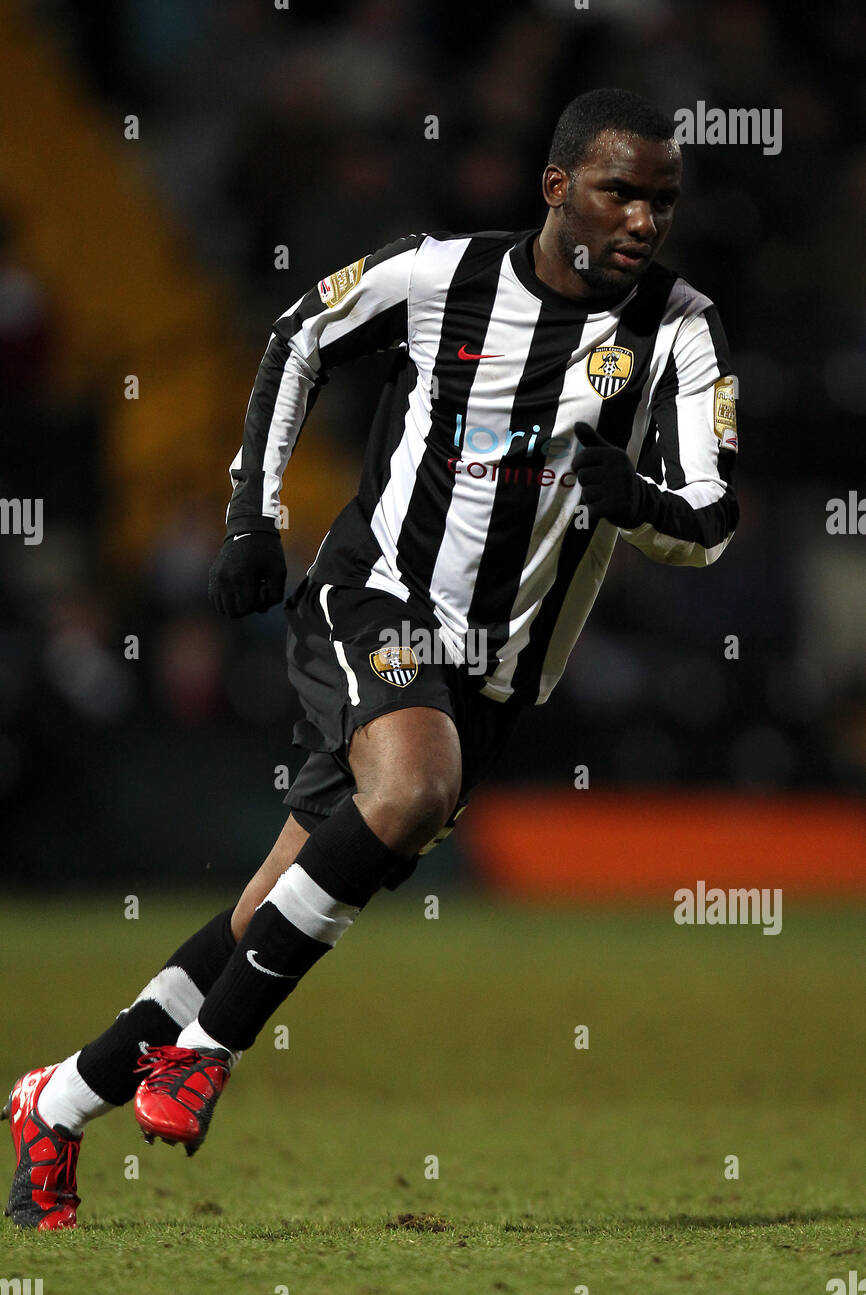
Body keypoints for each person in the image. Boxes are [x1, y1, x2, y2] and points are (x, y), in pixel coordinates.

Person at [4, 88, 738, 1229]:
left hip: (493, 673)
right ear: (556, 189)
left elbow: (710, 513)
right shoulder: (437, 274)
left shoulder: (679, 330)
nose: (644, 220)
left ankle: (57, 1098)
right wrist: (251, 516)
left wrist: (633, 501)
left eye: (661, 199)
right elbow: (295, 336)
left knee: (265, 910)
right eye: (620, 192)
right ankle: (206, 1052)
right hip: (375, 595)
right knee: (414, 788)